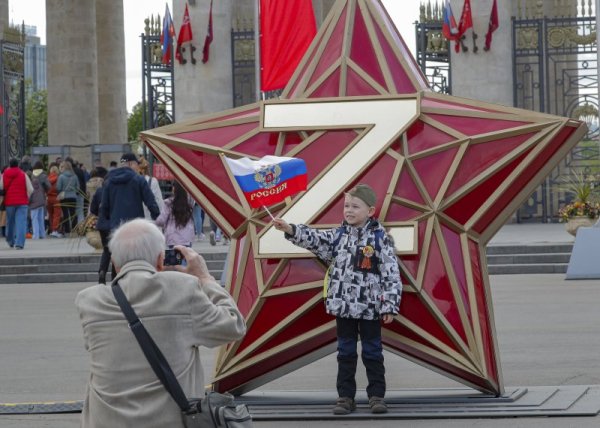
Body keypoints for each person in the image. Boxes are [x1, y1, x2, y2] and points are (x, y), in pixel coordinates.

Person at [75, 218, 246, 427]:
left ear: (115, 264)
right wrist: (205, 278)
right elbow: (234, 325)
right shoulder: (183, 288)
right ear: (160, 259)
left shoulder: (89, 301)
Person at [273, 183, 402, 415]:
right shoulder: (338, 235)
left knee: (373, 351)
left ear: (370, 211)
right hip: (343, 307)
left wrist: (389, 304)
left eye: (355, 206)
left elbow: (391, 273)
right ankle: (345, 397)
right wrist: (290, 229)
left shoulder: (381, 238)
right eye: (346, 206)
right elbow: (314, 238)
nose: (349, 210)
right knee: (346, 352)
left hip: (371, 308)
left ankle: (376, 396)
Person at [97, 153, 160, 284]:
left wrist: (106, 223)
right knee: (136, 257)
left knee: (117, 257)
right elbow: (151, 202)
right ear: (131, 164)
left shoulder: (109, 182)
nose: (138, 168)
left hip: (116, 226)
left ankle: (115, 283)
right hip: (136, 227)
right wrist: (158, 219)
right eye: (137, 164)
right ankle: (135, 284)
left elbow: (104, 207)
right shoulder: (139, 180)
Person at [0, 158, 32, 249]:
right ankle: (19, 244)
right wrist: (27, 197)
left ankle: (10, 240)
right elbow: (30, 189)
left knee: (10, 222)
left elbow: (1, 187)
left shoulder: (5, 174)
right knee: (21, 222)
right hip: (22, 202)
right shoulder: (23, 174)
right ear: (18, 165)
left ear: (10, 165)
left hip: (9, 202)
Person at [155, 181, 195, 247]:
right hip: (187, 238)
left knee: (172, 256)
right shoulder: (189, 202)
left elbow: (161, 220)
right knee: (186, 256)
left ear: (174, 189)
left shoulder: (168, 203)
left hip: (172, 239)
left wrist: (153, 223)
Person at [56, 160, 79, 235]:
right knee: (73, 214)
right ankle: (75, 230)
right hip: (73, 197)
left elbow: (58, 187)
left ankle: (67, 230)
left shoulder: (61, 176)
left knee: (65, 214)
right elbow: (78, 188)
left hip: (64, 197)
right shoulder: (75, 176)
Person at [29, 160, 50, 239]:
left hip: (34, 198)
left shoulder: (32, 175)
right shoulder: (44, 175)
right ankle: (42, 234)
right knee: (41, 218)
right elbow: (49, 186)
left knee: (34, 218)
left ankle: (36, 235)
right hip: (42, 197)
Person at [46, 165, 62, 237]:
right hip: (56, 197)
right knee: (57, 215)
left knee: (51, 215)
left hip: (48, 198)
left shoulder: (47, 178)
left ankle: (52, 230)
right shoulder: (58, 178)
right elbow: (59, 188)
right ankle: (55, 230)